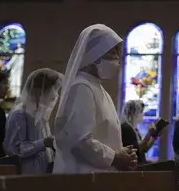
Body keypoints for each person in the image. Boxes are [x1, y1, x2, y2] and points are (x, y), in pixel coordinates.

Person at [53, 24, 137, 173]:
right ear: (96, 54)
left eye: (119, 53)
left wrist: (122, 152)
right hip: (85, 178)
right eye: (113, 52)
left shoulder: (98, 88)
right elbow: (80, 140)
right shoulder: (81, 87)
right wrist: (115, 157)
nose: (118, 59)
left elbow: (102, 135)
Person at [4, 68, 63, 174]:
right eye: (51, 89)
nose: (55, 95)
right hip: (27, 169)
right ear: (39, 90)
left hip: (44, 169)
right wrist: (43, 143)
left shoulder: (40, 113)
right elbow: (14, 149)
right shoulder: (20, 114)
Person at [121, 100, 160, 164]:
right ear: (134, 113)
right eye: (141, 112)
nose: (143, 115)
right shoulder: (126, 128)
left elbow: (145, 149)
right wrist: (149, 134)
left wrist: (154, 137)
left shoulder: (135, 129)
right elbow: (138, 150)